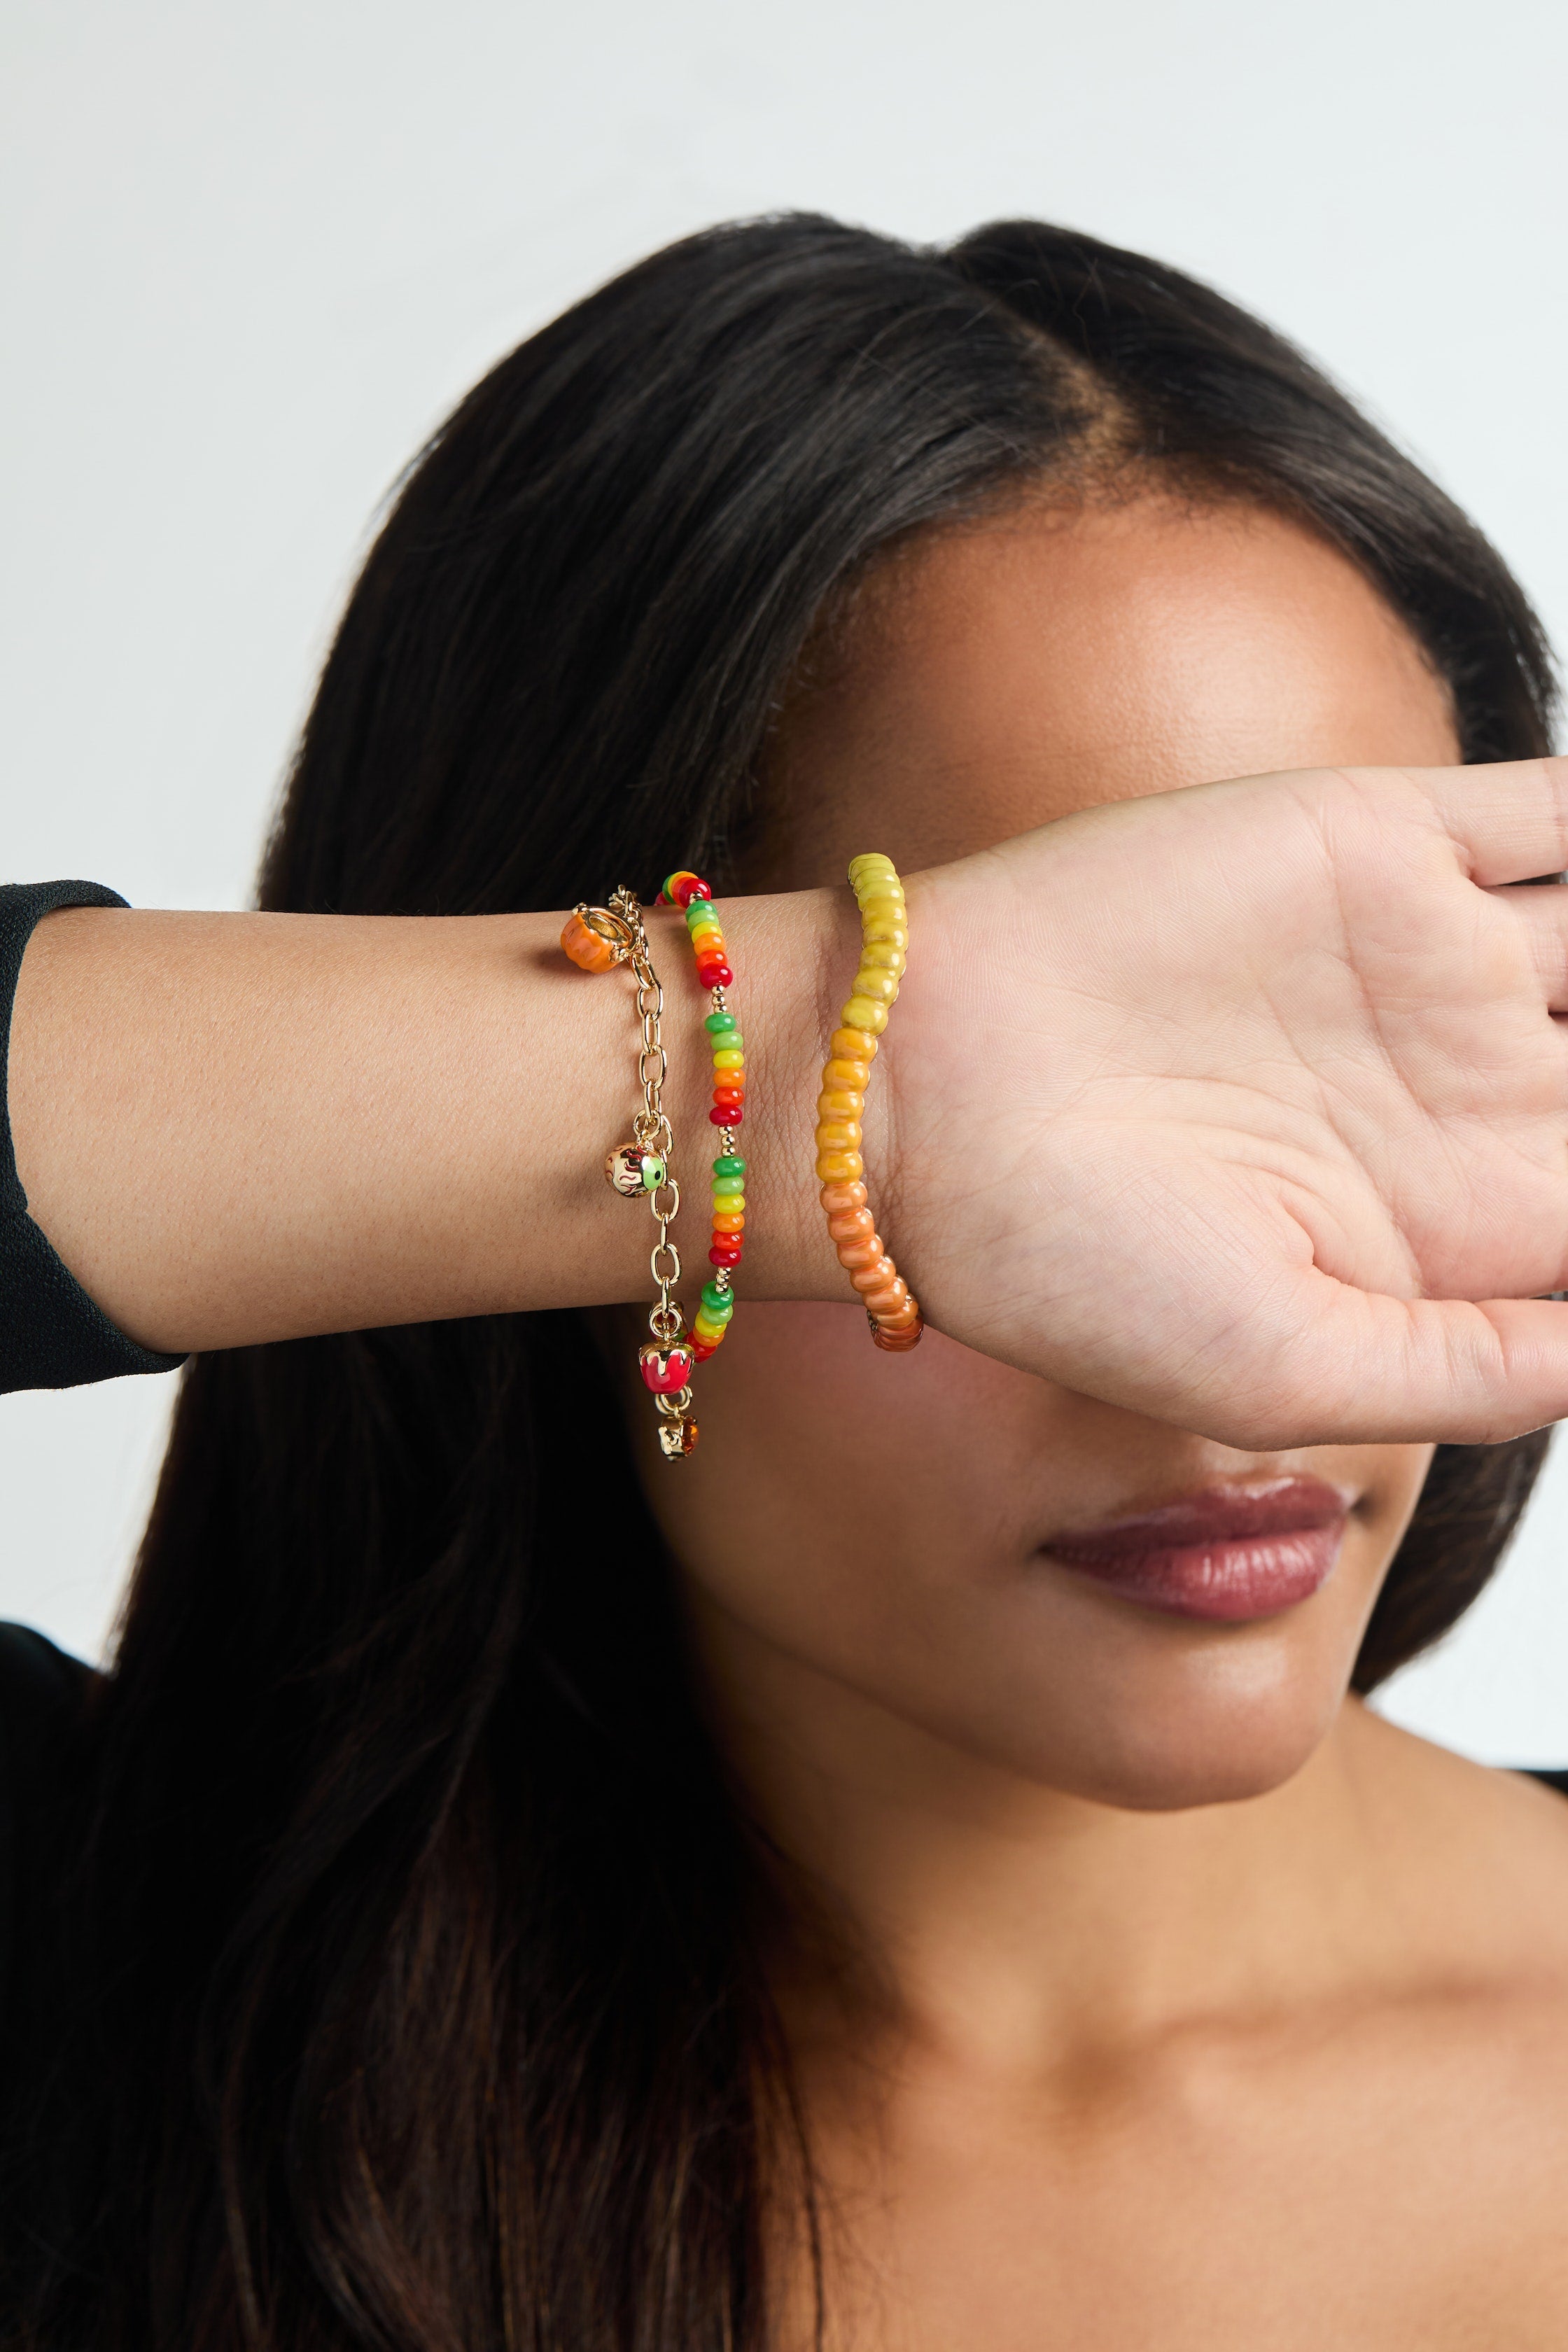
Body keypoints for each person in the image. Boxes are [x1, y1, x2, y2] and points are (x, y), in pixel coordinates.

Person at [5, 213, 1568, 2349]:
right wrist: (845, 1095)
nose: (1229, 1339)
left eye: (1366, 1060)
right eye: (1140, 1103)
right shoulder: (106, 2037)